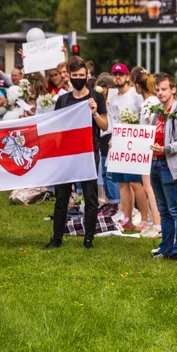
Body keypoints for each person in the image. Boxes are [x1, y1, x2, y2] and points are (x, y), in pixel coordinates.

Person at [43, 56, 108, 249]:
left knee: (90, 196)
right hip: (67, 155)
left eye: (82, 75)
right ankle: (56, 238)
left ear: (87, 76)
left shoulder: (96, 98)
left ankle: (88, 238)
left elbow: (104, 126)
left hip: (89, 152)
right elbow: (56, 128)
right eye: (75, 75)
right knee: (62, 196)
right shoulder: (63, 100)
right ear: (69, 77)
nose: (79, 78)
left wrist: (95, 113)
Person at [149, 73, 177, 260]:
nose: (160, 93)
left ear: (173, 89)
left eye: (164, 89)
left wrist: (164, 148)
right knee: (163, 209)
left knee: (176, 209)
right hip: (154, 163)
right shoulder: (156, 111)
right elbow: (146, 134)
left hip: (168, 163)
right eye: (157, 90)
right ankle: (165, 247)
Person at [107, 62, 149, 229]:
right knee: (122, 183)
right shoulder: (112, 97)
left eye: (120, 74)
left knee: (135, 182)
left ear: (127, 77)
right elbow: (112, 120)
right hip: (118, 142)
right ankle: (127, 218)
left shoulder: (136, 95)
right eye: (115, 74)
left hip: (134, 142)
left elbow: (144, 117)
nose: (117, 77)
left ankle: (145, 218)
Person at [134, 68, 162, 235]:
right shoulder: (154, 101)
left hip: (149, 148)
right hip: (151, 147)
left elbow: (149, 127)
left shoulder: (148, 103)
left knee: (149, 186)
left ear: (138, 87)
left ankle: (157, 223)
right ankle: (156, 222)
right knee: (151, 186)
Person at [95, 73, 121, 218]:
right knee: (104, 171)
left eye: (105, 87)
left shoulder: (114, 99)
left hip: (112, 134)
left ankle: (114, 202)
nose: (103, 90)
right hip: (102, 137)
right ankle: (109, 200)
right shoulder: (99, 99)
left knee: (110, 172)